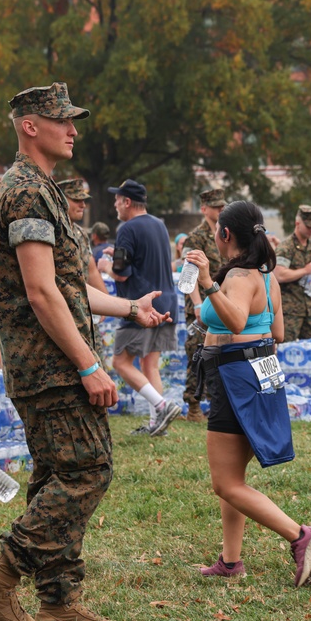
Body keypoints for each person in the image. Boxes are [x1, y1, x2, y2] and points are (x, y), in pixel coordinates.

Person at [0, 82, 171, 621]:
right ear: (30, 125)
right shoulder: (26, 192)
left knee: (59, 472)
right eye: (62, 120)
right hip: (49, 365)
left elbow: (71, 286)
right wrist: (88, 364)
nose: (74, 129)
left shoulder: (44, 189)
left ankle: (57, 598)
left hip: (52, 361)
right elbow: (39, 292)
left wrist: (131, 307)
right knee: (87, 470)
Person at [185, 201, 311, 586]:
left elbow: (232, 318)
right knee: (233, 477)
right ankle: (230, 562)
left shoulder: (235, 277)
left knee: (225, 483)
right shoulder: (267, 278)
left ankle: (302, 537)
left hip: (235, 377)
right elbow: (275, 332)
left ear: (225, 234)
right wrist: (201, 296)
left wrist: (208, 282)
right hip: (261, 371)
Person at [108, 178, 183, 437]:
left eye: (117, 200)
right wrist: (115, 252)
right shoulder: (159, 225)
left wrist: (104, 265)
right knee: (149, 364)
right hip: (167, 302)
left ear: (127, 202)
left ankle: (162, 406)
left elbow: (120, 272)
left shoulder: (126, 229)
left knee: (120, 362)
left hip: (142, 305)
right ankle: (156, 425)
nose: (115, 205)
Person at [181, 188, 225, 422]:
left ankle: (215, 403)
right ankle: (194, 407)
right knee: (197, 354)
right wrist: (198, 305)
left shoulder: (225, 234)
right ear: (204, 209)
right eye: (216, 206)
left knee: (220, 353)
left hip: (220, 303)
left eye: (222, 206)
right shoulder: (195, 237)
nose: (220, 210)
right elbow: (189, 275)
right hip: (200, 306)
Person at [274, 205, 311, 341]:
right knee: (286, 349)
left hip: (309, 309)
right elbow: (279, 275)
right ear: (298, 223)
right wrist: (304, 271)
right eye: (308, 226)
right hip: (290, 311)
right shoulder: (286, 248)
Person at [57, 178, 107, 293]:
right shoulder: (51, 232)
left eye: (84, 200)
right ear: (60, 200)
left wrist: (112, 309)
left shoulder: (81, 234)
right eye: (76, 200)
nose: (83, 205)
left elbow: (92, 272)